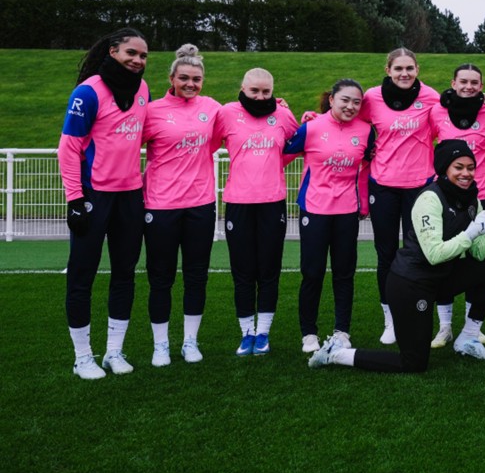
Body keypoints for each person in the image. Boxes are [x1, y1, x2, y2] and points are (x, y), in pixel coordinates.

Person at [308, 140, 485, 373]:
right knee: (413, 363)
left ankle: (469, 339)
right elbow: (434, 254)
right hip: (411, 283)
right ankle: (337, 353)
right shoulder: (429, 199)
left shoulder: (471, 199)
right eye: (459, 167)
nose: (466, 173)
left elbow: (478, 252)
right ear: (444, 168)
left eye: (471, 167)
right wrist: (474, 230)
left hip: (441, 277)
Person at [59, 27, 151, 379]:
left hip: (130, 196)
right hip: (93, 196)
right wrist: (75, 199)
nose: (137, 60)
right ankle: (83, 357)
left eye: (143, 56)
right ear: (112, 52)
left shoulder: (142, 90)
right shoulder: (88, 92)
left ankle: (114, 351)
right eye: (131, 53)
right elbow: (68, 149)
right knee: (82, 276)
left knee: (125, 274)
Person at [139, 44, 222, 367]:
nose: (190, 83)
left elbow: (245, 121)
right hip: (160, 205)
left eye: (196, 79)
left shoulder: (212, 108)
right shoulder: (152, 110)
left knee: (196, 275)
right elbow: (127, 144)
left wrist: (282, 108)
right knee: (160, 277)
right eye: (184, 78)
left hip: (200, 204)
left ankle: (190, 341)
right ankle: (161, 345)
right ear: (171, 78)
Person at [283, 79, 375, 354]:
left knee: (344, 274)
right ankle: (308, 333)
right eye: (344, 100)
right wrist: (285, 117)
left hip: (347, 211)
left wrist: (363, 200)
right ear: (332, 99)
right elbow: (280, 154)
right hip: (314, 209)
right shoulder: (311, 127)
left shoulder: (366, 131)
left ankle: (342, 331)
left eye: (356, 102)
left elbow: (369, 165)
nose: (350, 106)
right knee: (312, 274)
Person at [358, 48, 440, 344]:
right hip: (384, 184)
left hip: (421, 186)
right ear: (388, 69)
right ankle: (390, 319)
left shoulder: (431, 96)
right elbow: (347, 115)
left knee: (420, 253)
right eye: (398, 69)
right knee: (386, 254)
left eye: (409, 68)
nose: (404, 74)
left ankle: (417, 313)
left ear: (418, 68)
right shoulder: (372, 97)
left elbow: (458, 111)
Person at [216, 68, 299, 356]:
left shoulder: (284, 115)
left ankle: (263, 333)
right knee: (242, 271)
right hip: (238, 203)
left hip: (273, 202)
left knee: (268, 270)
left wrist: (275, 164)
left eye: (266, 91)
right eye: (255, 91)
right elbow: (209, 143)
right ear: (243, 88)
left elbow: (297, 143)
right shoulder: (226, 113)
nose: (261, 96)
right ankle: (246, 334)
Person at [429, 63, 485, 348]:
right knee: (446, 257)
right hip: (446, 196)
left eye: (474, 82)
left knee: (476, 257)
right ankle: (445, 326)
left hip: (480, 194)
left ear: (482, 87)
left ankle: (472, 325)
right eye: (464, 82)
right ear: (453, 83)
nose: (469, 87)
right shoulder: (436, 110)